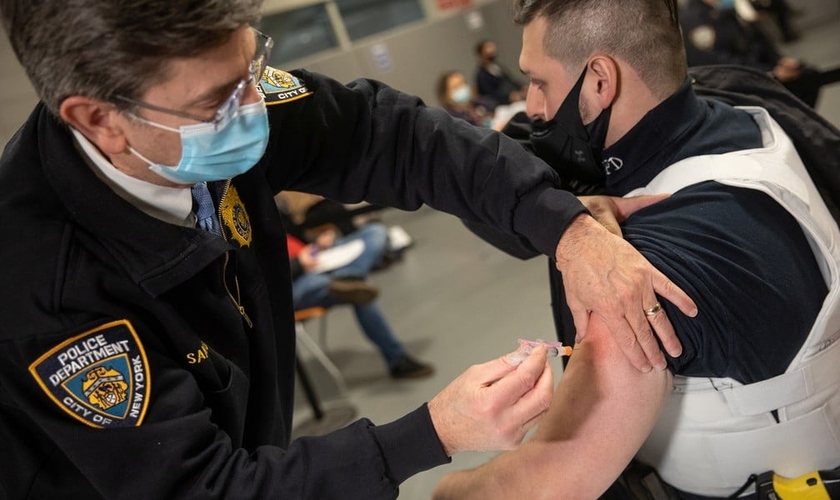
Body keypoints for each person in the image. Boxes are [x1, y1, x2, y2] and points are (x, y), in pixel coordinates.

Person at [0, 0, 698, 498]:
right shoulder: (46, 291)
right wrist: (429, 434)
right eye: (220, 98)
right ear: (100, 120)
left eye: (253, 68)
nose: (253, 106)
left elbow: (389, 137)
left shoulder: (207, 103)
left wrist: (563, 227)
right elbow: (201, 486)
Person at [433, 0, 840, 498]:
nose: (533, 108)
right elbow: (497, 176)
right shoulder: (740, 111)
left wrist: (449, 487)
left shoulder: (643, 263)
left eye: (539, 83)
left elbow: (543, 482)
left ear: (601, 80)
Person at [283, 206, 434, 379]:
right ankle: (397, 359)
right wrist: (298, 264)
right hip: (291, 284)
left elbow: (294, 234)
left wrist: (317, 242)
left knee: (374, 232)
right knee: (360, 294)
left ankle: (348, 277)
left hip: (315, 257)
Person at [680, 0, 840, 108]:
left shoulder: (733, 7)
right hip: (737, 84)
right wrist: (771, 74)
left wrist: (780, 60)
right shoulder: (693, 20)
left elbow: (759, 40)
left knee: (809, 75)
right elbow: (717, 67)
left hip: (761, 70)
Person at [474, 39, 528, 109]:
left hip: (515, 100)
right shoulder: (481, 75)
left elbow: (510, 80)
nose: (492, 50)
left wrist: (522, 88)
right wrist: (509, 97)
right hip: (501, 106)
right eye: (488, 48)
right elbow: (491, 95)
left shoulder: (498, 67)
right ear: (481, 54)